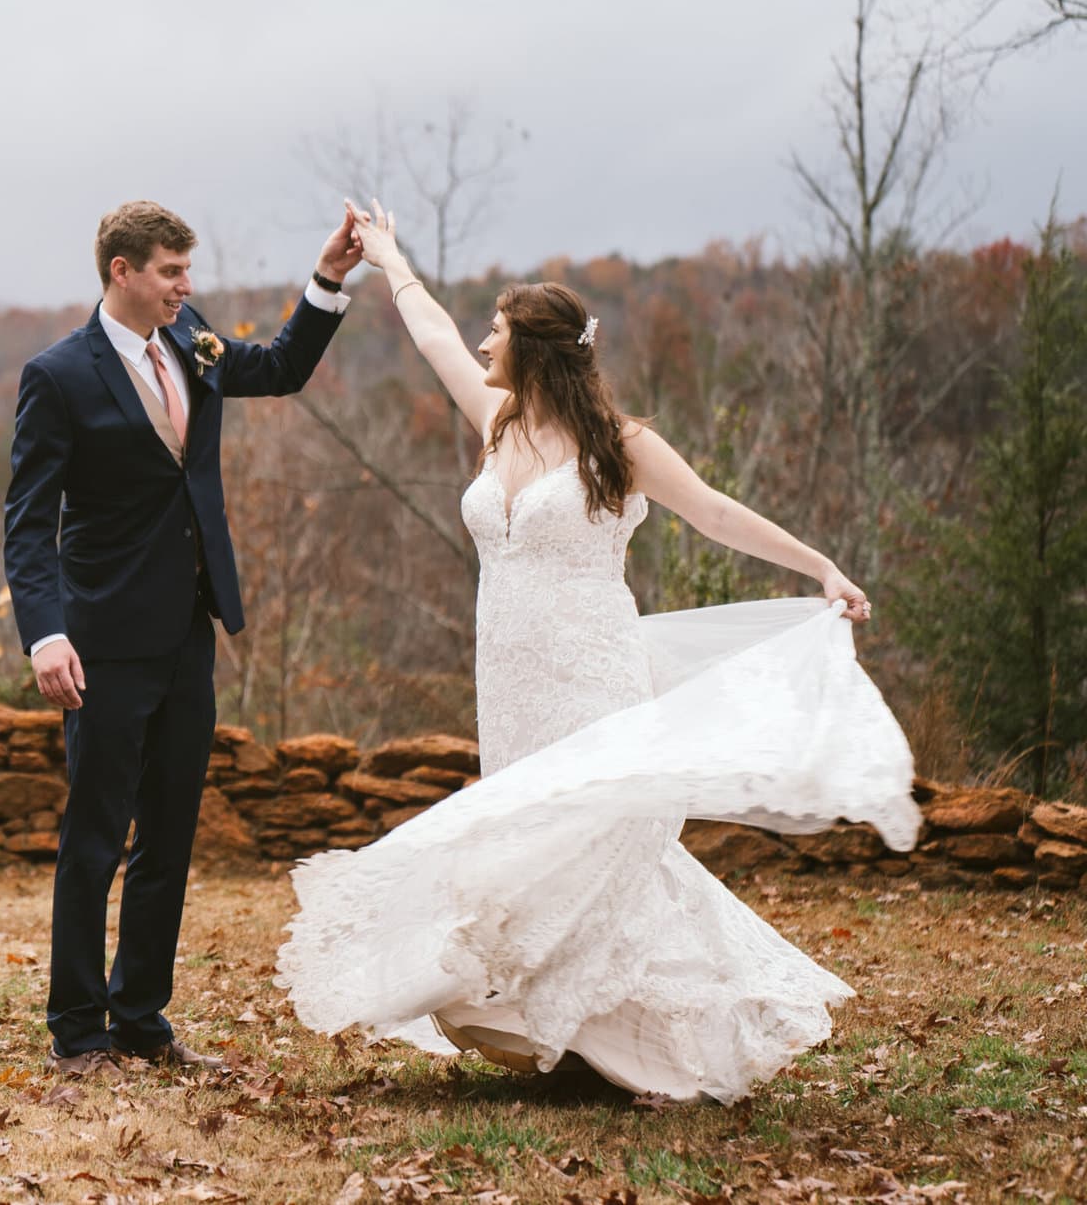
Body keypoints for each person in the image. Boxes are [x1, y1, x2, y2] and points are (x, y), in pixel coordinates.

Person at [274, 201, 922, 1103]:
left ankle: (653, 1035)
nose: (482, 341)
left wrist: (821, 568)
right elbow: (428, 338)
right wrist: (385, 258)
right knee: (528, 844)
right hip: (508, 675)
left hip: (592, 672)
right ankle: (569, 1029)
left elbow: (718, 514)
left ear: (534, 349)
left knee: (598, 844)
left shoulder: (622, 446)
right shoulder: (496, 423)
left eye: (496, 331)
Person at [4, 200, 363, 1075]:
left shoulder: (191, 339)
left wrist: (327, 282)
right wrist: (44, 636)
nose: (185, 287)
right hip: (101, 640)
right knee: (94, 838)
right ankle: (79, 1030)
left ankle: (141, 1021)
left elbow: (278, 369)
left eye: (186, 273)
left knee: (168, 837)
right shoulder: (57, 376)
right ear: (121, 272)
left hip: (189, 632)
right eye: (170, 272)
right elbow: (27, 522)